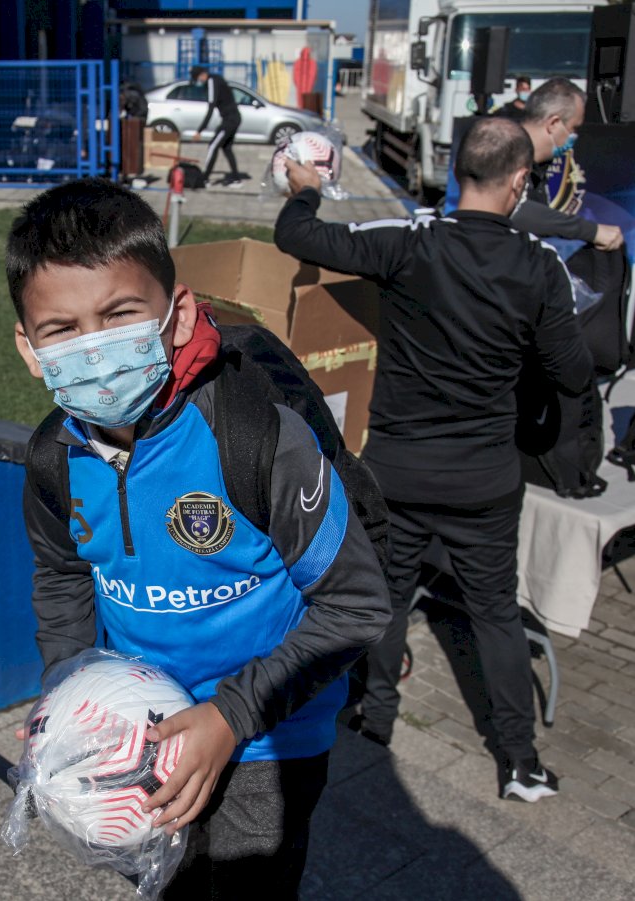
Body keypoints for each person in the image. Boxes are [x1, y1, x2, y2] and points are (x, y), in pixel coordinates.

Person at [7, 178, 390, 898]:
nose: (94, 351)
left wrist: (231, 714)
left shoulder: (253, 436)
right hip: (134, 730)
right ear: (30, 348)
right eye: (62, 329)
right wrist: (65, 684)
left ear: (177, 316)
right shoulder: (53, 457)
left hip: (268, 738)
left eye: (120, 315)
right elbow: (60, 573)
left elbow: (357, 604)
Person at [274, 117, 594, 802]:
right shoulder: (539, 264)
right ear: (518, 182)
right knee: (495, 612)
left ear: (458, 174)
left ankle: (375, 717)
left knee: (388, 594)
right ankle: (517, 760)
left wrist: (305, 188)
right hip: (484, 477)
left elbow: (296, 237)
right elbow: (572, 373)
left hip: (397, 469)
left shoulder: (408, 242)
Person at [514, 77, 624, 252]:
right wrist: (591, 231)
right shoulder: (502, 151)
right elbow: (514, 209)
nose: (575, 136)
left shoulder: (537, 165)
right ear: (554, 123)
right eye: (574, 128)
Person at [190, 65, 243, 188]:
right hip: (233, 118)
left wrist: (200, 130)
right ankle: (236, 179)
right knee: (226, 148)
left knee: (213, 146)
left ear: (202, 75)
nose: (200, 82)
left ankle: (204, 179)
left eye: (198, 78)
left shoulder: (212, 81)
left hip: (230, 120)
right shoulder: (217, 78)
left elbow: (211, 106)